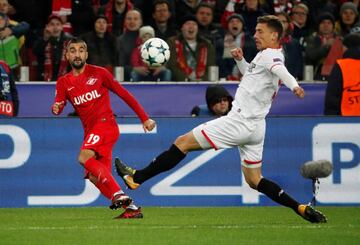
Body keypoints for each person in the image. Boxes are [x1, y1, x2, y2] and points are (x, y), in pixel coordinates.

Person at [115, 15, 327, 223]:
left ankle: (137, 178)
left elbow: (280, 71)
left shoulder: (270, 56)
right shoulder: (270, 54)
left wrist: (295, 86)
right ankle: (299, 207)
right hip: (256, 128)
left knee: (182, 143)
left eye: (260, 31)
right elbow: (254, 75)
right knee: (254, 180)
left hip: (238, 122)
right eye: (255, 31)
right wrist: (240, 60)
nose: (255, 35)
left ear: (274, 35)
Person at [51, 37, 156, 219]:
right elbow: (58, 105)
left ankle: (118, 195)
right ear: (67, 56)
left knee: (84, 157)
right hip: (90, 132)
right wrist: (56, 107)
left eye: (81, 50)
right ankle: (132, 209)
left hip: (106, 125)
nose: (78, 54)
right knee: (94, 177)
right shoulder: (63, 82)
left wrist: (144, 118)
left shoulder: (99, 73)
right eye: (73, 50)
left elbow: (124, 94)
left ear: (87, 54)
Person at [166, 14, 216, 81]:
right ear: (182, 28)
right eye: (188, 24)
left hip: (202, 83)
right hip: (180, 83)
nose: (191, 26)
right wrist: (187, 79)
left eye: (194, 24)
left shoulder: (207, 45)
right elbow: (172, 65)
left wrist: (202, 80)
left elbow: (211, 67)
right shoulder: (172, 42)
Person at [324, 32, 360, 116]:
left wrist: (331, 119)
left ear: (344, 47)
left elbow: (332, 96)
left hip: (346, 120)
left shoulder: (341, 66)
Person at [33, 14, 73, 81]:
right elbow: (36, 51)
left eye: (58, 24)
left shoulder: (69, 41)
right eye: (52, 24)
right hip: (45, 80)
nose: (55, 27)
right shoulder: (42, 39)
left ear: (62, 27)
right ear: (47, 26)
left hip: (66, 80)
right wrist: (45, 38)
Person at [304, 12, 343, 81]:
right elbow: (311, 56)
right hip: (317, 75)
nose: (326, 25)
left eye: (329, 23)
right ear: (318, 25)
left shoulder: (340, 40)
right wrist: (326, 47)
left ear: (333, 26)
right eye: (323, 23)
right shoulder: (312, 39)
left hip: (337, 74)